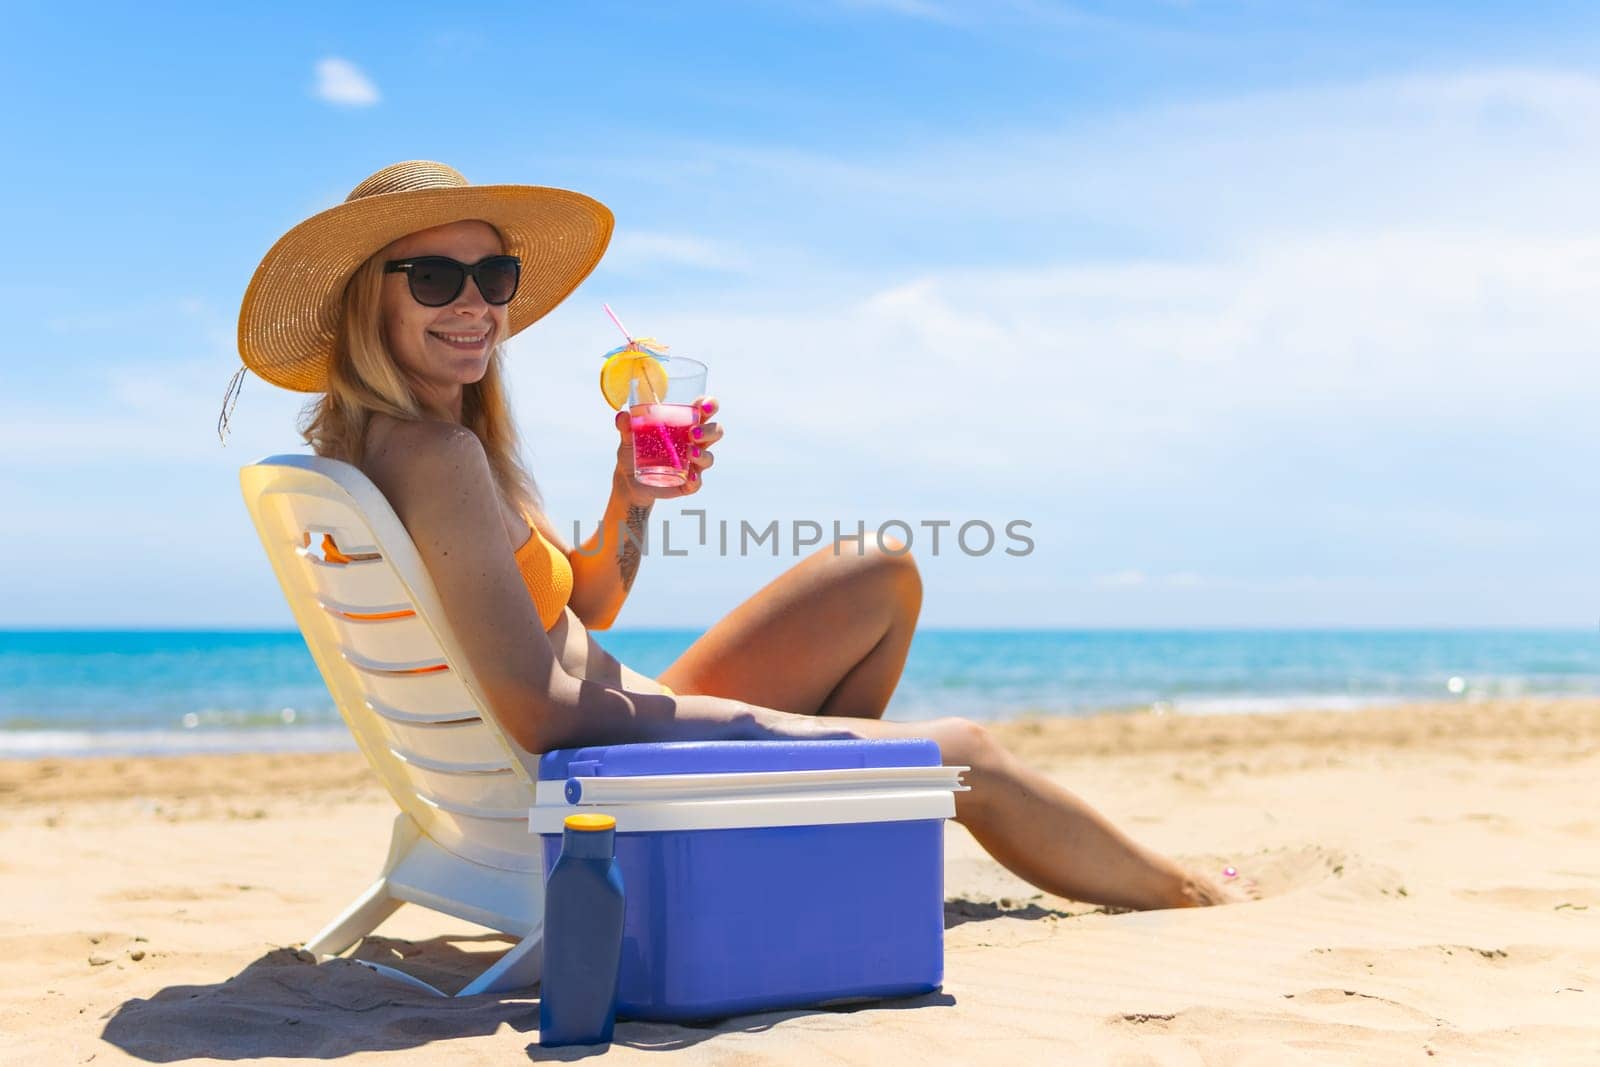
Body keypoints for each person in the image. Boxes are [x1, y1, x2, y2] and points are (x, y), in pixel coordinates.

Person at [229, 160, 1246, 911]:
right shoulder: (437, 458)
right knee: (966, 752)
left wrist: (629, 498)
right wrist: (749, 726)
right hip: (587, 771)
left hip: (602, 721)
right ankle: (1191, 893)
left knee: (875, 572)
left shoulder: (413, 442)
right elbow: (535, 710)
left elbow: (578, 612)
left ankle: (830, 823)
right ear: (373, 295)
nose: (477, 307)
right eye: (435, 280)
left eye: (491, 277)